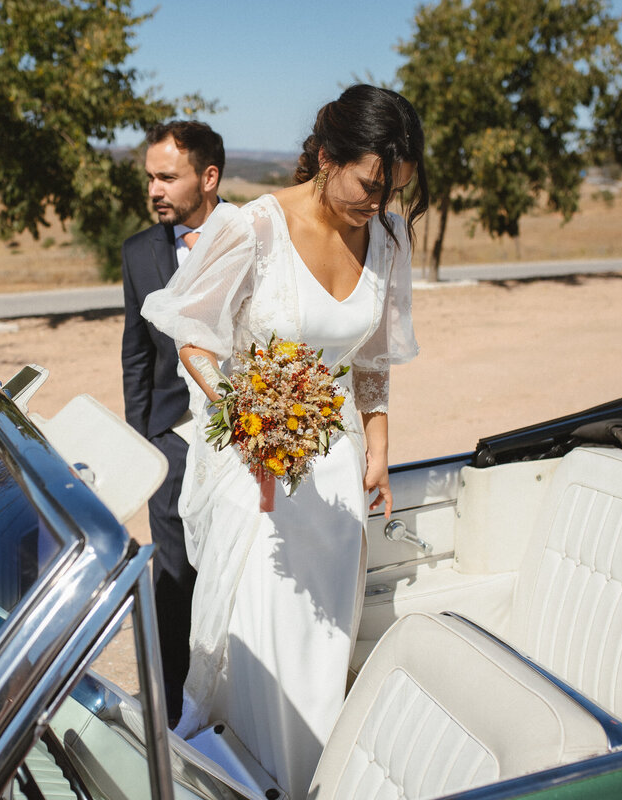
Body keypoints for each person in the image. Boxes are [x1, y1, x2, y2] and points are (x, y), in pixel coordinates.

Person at [140, 85, 427, 799]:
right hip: (257, 471)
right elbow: (193, 339)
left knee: (321, 654)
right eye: (368, 185)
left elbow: (371, 364)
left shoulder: (389, 238)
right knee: (265, 654)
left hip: (335, 480)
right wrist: (250, 414)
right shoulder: (254, 227)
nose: (378, 203)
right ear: (326, 158)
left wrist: (380, 448)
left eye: (393, 191)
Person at [121, 120, 224, 726]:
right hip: (171, 435)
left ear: (208, 177)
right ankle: (166, 709)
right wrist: (147, 438)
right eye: (150, 178)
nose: (155, 189)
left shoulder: (252, 236)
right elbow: (135, 349)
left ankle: (229, 696)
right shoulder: (139, 251)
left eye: (167, 176)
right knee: (172, 571)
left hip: (238, 435)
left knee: (229, 561)